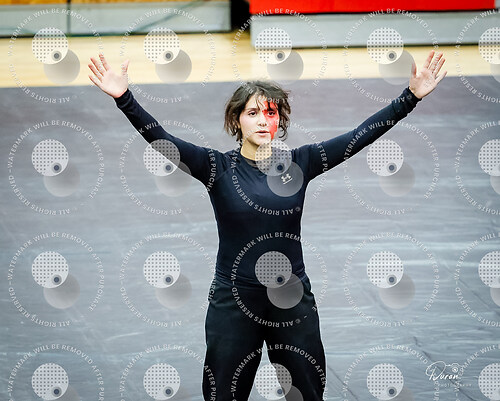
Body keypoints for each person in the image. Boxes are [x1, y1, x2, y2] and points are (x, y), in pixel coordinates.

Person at [88, 50, 446, 400]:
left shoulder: (301, 163)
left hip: (291, 301)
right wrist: (124, 98)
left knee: (307, 393)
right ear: (237, 121)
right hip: (233, 301)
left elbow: (358, 136)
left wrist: (410, 98)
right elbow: (163, 141)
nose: (263, 120)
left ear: (280, 120)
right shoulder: (216, 167)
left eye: (271, 113)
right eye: (253, 113)